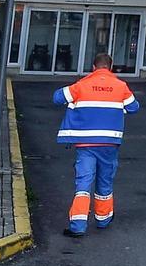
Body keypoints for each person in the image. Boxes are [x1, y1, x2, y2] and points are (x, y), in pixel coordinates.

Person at [52, 53, 140, 237]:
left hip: (86, 144)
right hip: (110, 144)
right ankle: (103, 219)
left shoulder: (81, 85)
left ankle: (78, 225)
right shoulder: (121, 86)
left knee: (83, 181)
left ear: (93, 67)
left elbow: (57, 98)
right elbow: (134, 107)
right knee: (105, 180)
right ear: (110, 67)